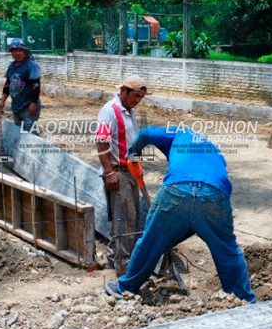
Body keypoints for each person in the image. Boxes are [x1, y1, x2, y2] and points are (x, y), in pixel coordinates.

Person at [104, 126, 256, 303]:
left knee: (149, 241)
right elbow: (204, 200)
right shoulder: (213, 150)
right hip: (214, 194)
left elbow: (145, 133)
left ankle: (126, 288)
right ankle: (243, 299)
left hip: (177, 189)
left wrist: (133, 153)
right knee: (227, 248)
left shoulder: (179, 133)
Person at [96, 75, 148, 275]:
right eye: (135, 96)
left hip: (130, 171)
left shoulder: (129, 112)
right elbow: (101, 143)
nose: (138, 101)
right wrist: (109, 172)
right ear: (124, 91)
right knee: (125, 221)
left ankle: (113, 259)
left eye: (141, 98)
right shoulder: (110, 111)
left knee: (127, 218)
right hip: (118, 172)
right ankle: (124, 269)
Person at [0, 38, 42, 131]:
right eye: (14, 51)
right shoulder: (12, 66)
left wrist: (33, 103)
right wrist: (2, 101)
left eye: (20, 50)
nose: (17, 53)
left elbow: (36, 86)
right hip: (16, 106)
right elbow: (7, 84)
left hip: (28, 106)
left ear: (25, 51)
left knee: (31, 132)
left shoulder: (32, 66)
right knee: (19, 132)